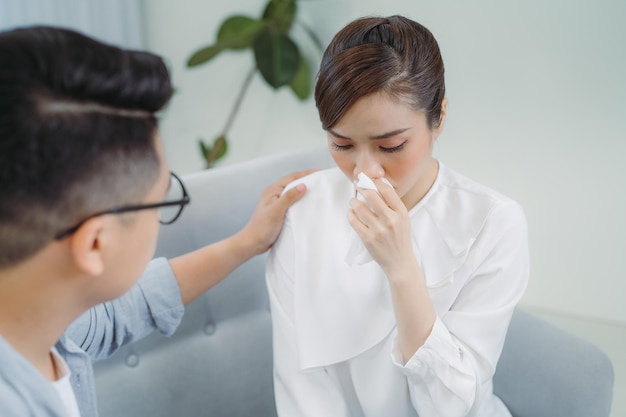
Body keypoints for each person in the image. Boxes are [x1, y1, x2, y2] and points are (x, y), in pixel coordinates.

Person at [0, 26, 313, 416]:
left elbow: (122, 310)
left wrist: (247, 242)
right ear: (95, 243)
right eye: (161, 200)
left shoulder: (39, 317)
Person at [266, 15, 529, 417]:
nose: (365, 171)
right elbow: (302, 391)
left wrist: (401, 267)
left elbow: (453, 405)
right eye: (341, 144)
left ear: (438, 118)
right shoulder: (301, 210)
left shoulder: (493, 223)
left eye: (390, 146)